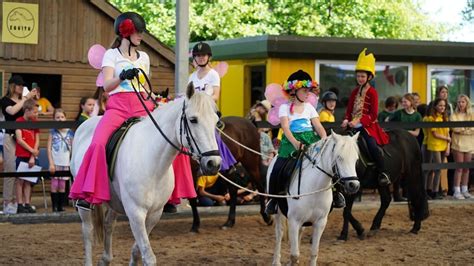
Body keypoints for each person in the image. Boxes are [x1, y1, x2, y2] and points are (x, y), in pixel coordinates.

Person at [70, 12, 156, 210]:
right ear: (125, 33)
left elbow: (147, 87)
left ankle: (169, 194)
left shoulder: (144, 57)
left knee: (170, 133)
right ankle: (88, 192)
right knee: (98, 142)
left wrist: (154, 98)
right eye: (138, 32)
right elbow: (108, 86)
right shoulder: (111, 55)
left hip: (142, 105)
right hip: (118, 106)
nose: (141, 36)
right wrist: (122, 77)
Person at [265, 70, 327, 215]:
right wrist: (295, 143)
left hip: (310, 139)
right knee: (277, 167)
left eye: (309, 91)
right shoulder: (284, 108)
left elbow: (318, 126)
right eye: (305, 91)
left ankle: (336, 194)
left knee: (328, 164)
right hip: (291, 141)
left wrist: (324, 139)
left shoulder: (310, 107)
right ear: (294, 90)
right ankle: (273, 200)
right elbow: (285, 128)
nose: (308, 94)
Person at [341, 48, 390, 186]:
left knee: (372, 146)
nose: (360, 78)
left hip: (368, 126)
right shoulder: (354, 91)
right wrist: (346, 119)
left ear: (369, 77)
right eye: (358, 76)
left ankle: (383, 172)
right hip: (352, 125)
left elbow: (373, 115)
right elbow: (349, 109)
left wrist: (358, 122)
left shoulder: (373, 92)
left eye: (363, 76)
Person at [0, 75, 37, 214]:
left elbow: (31, 113)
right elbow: (12, 111)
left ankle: (20, 202)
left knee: (23, 172)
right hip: (11, 138)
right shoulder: (4, 100)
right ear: (12, 86)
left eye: (23, 85)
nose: (21, 87)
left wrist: (32, 99)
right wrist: (26, 99)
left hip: (25, 139)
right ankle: (7, 202)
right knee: (10, 170)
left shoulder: (24, 99)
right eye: (19, 85)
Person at [318, 91, 346, 208]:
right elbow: (329, 132)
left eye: (333, 101)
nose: (331, 103)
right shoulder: (324, 115)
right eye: (329, 101)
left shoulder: (331, 115)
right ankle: (336, 194)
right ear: (324, 103)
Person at [15, 99, 40, 213]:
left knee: (28, 181)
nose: (36, 114)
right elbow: (19, 140)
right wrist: (32, 151)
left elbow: (37, 140)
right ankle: (20, 204)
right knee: (20, 180)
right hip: (21, 154)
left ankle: (27, 203)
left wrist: (32, 155)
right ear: (27, 111)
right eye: (34, 112)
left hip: (31, 156)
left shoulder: (35, 123)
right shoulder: (18, 121)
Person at [423, 98, 450, 200]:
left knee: (438, 169)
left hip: (443, 145)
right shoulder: (431, 118)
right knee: (435, 168)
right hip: (434, 144)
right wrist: (447, 138)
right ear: (435, 106)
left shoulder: (445, 118)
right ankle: (429, 190)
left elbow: (447, 132)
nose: (442, 108)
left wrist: (447, 145)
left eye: (444, 106)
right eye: (440, 105)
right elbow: (434, 133)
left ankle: (434, 191)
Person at [47, 109, 74, 211]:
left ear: (65, 118)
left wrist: (72, 163)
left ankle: (61, 206)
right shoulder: (52, 132)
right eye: (57, 117)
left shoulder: (70, 132)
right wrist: (51, 163)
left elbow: (73, 148)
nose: (60, 119)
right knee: (54, 184)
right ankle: (54, 206)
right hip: (55, 163)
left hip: (66, 163)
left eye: (62, 117)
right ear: (54, 119)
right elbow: (49, 149)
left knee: (62, 185)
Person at [449, 95, 473, 199]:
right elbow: (455, 128)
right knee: (459, 168)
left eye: (463, 102)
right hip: (457, 144)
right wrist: (465, 129)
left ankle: (465, 189)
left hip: (469, 144)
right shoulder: (453, 115)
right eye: (459, 102)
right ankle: (457, 190)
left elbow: (472, 129)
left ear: (467, 103)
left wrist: (464, 130)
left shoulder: (471, 115)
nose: (460, 104)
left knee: (466, 168)